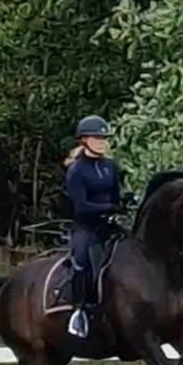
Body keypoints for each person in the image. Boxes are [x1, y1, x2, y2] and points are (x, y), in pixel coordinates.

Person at [63, 115, 132, 338]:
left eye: (104, 138)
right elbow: (81, 207)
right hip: (86, 228)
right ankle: (79, 311)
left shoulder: (110, 167)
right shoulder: (76, 171)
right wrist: (110, 208)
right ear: (84, 140)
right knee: (82, 261)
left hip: (109, 226)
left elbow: (115, 196)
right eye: (97, 138)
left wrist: (125, 202)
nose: (103, 142)